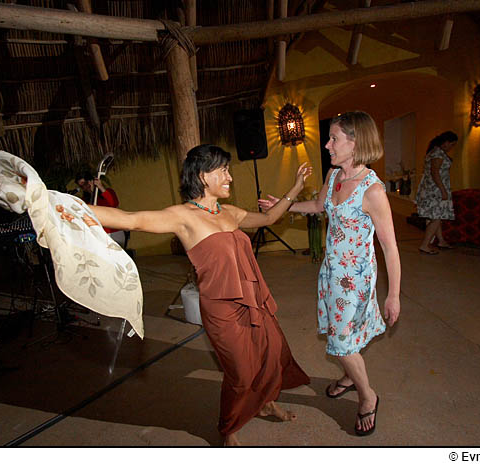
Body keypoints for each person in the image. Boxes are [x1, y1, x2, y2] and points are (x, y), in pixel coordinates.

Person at [89, 144, 312, 446]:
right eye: (223, 170)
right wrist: (65, 206)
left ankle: (266, 402)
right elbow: (131, 219)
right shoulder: (183, 216)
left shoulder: (229, 212)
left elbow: (269, 218)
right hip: (222, 309)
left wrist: (296, 187)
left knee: (270, 357)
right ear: (203, 175)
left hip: (252, 300)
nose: (230, 177)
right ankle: (228, 427)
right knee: (242, 373)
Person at [260, 111, 401, 437]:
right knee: (344, 337)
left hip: (356, 280)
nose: (327, 145)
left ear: (355, 143)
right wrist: (282, 206)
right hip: (331, 272)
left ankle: (368, 397)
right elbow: (319, 207)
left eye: (334, 138)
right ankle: (351, 377)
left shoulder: (373, 191)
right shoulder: (334, 176)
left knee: (340, 341)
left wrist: (392, 294)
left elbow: (390, 248)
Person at [415, 131, 459, 254]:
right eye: (452, 144)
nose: (451, 147)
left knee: (435, 216)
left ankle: (441, 241)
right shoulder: (437, 154)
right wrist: (443, 190)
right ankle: (425, 245)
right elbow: (435, 173)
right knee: (437, 217)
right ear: (446, 142)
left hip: (432, 189)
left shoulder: (434, 152)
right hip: (435, 190)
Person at [75, 170, 126, 248]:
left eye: (85, 183)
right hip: (100, 233)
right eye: (82, 186)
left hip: (114, 231)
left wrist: (100, 187)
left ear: (91, 181)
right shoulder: (85, 200)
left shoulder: (107, 192)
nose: (85, 187)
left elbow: (114, 203)